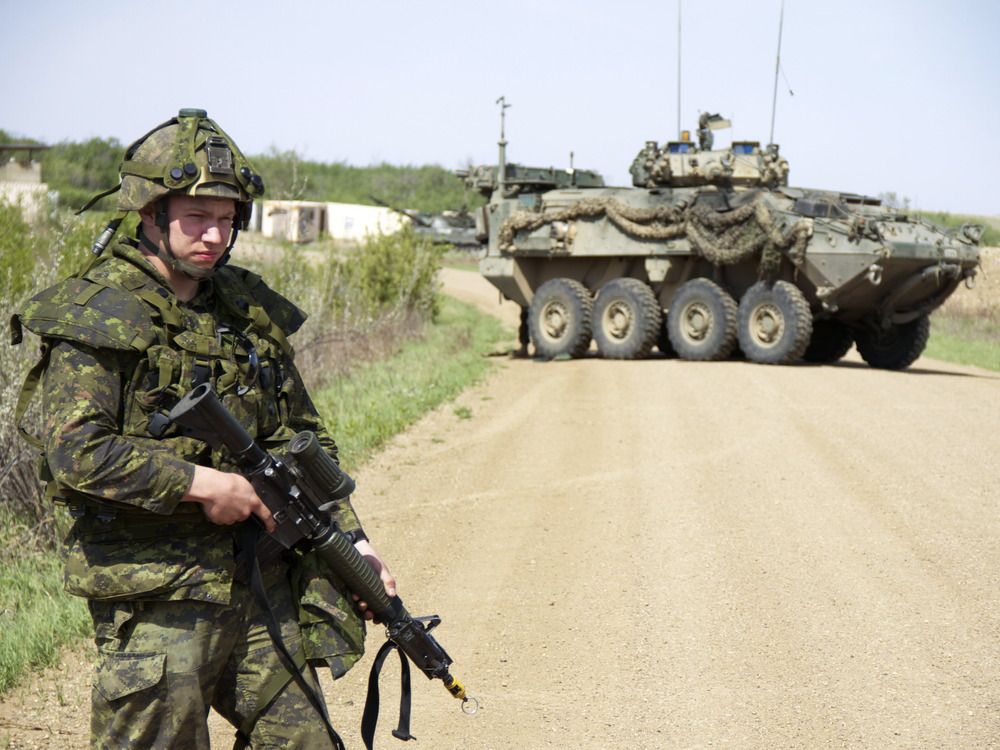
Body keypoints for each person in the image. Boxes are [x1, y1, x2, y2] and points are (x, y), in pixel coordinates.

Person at [13, 109, 395, 749]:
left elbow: (303, 441)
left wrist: (353, 547)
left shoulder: (246, 311)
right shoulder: (98, 314)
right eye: (197, 218)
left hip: (258, 584)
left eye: (227, 220)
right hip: (158, 594)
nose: (215, 236)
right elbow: (77, 448)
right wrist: (202, 484)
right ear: (149, 214)